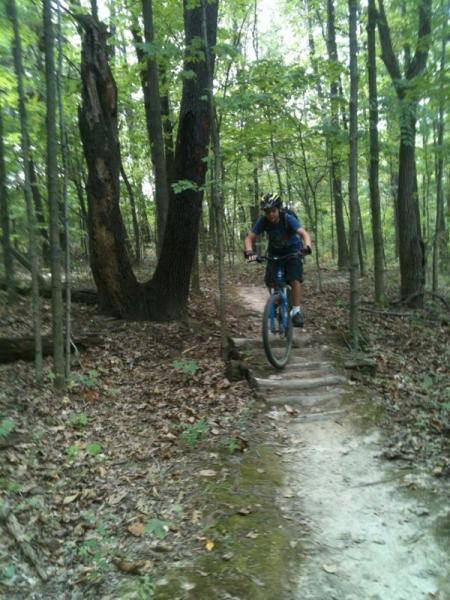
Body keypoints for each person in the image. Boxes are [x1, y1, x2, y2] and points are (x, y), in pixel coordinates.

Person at [243, 192, 312, 327]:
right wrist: (249, 251)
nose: (271, 215)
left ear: (279, 209)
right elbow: (249, 238)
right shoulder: (263, 221)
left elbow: (304, 234)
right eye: (267, 212)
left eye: (273, 211)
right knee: (270, 280)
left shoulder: (287, 218)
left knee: (294, 278)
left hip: (293, 251)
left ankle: (296, 312)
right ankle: (276, 300)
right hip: (275, 253)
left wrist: (307, 247)